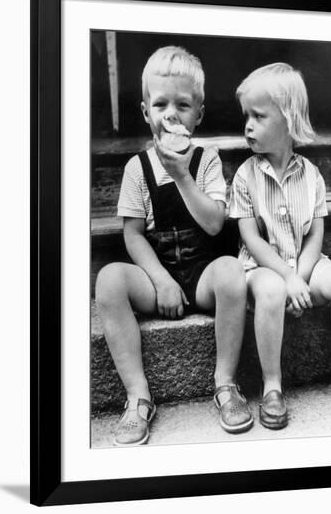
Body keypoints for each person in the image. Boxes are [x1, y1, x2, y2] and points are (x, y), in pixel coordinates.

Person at [96, 46, 253, 446]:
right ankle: (138, 397)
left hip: (203, 276)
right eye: (161, 104)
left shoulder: (207, 160)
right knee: (109, 279)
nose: (171, 114)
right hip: (159, 275)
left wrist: (182, 175)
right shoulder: (137, 168)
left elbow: (215, 222)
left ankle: (225, 385)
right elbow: (133, 234)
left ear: (198, 114)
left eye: (182, 105)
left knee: (233, 270)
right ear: (146, 111)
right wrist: (161, 281)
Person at [229, 62, 331, 430]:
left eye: (258, 116)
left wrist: (300, 277)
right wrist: (286, 277)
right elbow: (251, 239)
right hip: (262, 270)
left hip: (304, 265)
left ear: (288, 120)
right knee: (271, 291)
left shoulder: (312, 176)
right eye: (246, 116)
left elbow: (315, 236)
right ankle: (272, 385)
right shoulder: (245, 175)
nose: (247, 126)